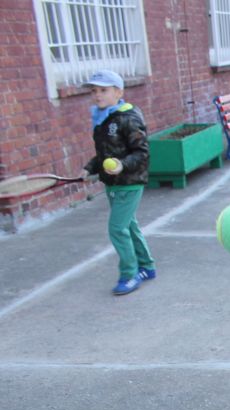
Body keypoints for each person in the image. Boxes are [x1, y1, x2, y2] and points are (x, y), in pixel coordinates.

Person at [82, 69, 155, 296]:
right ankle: (147, 266)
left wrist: (122, 165)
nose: (98, 95)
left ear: (119, 92)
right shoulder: (102, 119)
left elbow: (142, 153)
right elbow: (105, 155)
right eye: (94, 91)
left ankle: (129, 274)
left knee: (117, 228)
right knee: (129, 225)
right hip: (112, 184)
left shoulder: (128, 118)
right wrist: (90, 167)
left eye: (103, 90)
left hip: (130, 182)